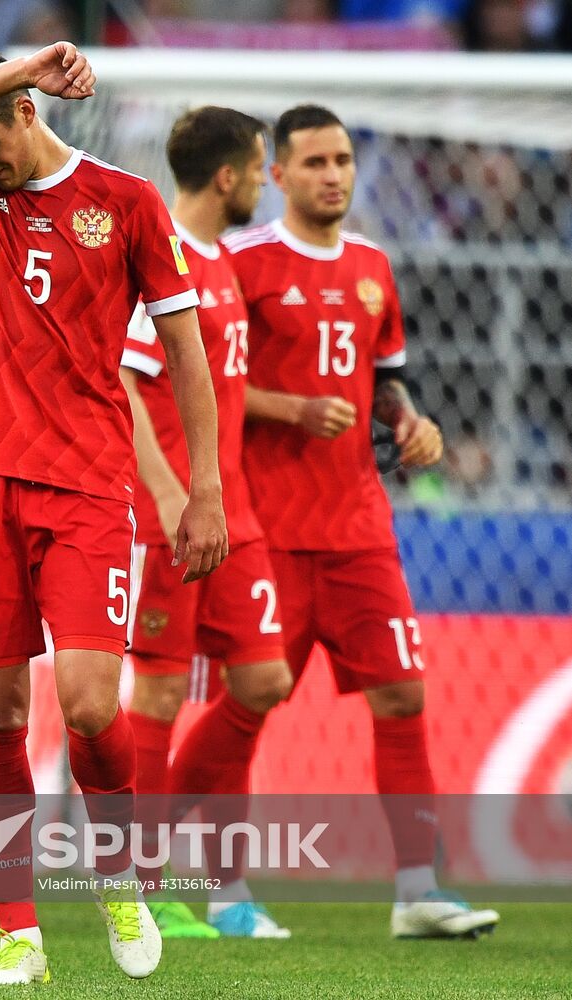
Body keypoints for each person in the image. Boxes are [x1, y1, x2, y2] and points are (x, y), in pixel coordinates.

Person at [0, 43, 226, 984]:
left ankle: (117, 880)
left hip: (84, 481)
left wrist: (203, 489)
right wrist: (24, 66)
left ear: (28, 114)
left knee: (87, 704)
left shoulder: (125, 202)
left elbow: (185, 352)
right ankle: (18, 938)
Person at [226, 103, 499, 939]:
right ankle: (216, 887)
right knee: (249, 703)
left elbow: (385, 383)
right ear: (275, 175)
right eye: (312, 162)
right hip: (266, 531)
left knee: (401, 694)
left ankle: (417, 890)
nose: (332, 175)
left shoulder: (375, 267)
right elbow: (194, 389)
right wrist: (288, 410)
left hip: (357, 529)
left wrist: (411, 423)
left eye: (341, 159)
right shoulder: (240, 263)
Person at [119, 106, 295, 939]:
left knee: (261, 681)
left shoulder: (221, 262)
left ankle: (184, 868)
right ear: (226, 176)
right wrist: (163, 496)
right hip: (173, 514)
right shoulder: (161, 256)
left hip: (232, 512)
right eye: (259, 169)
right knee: (154, 692)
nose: (263, 183)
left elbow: (220, 391)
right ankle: (161, 889)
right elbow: (124, 387)